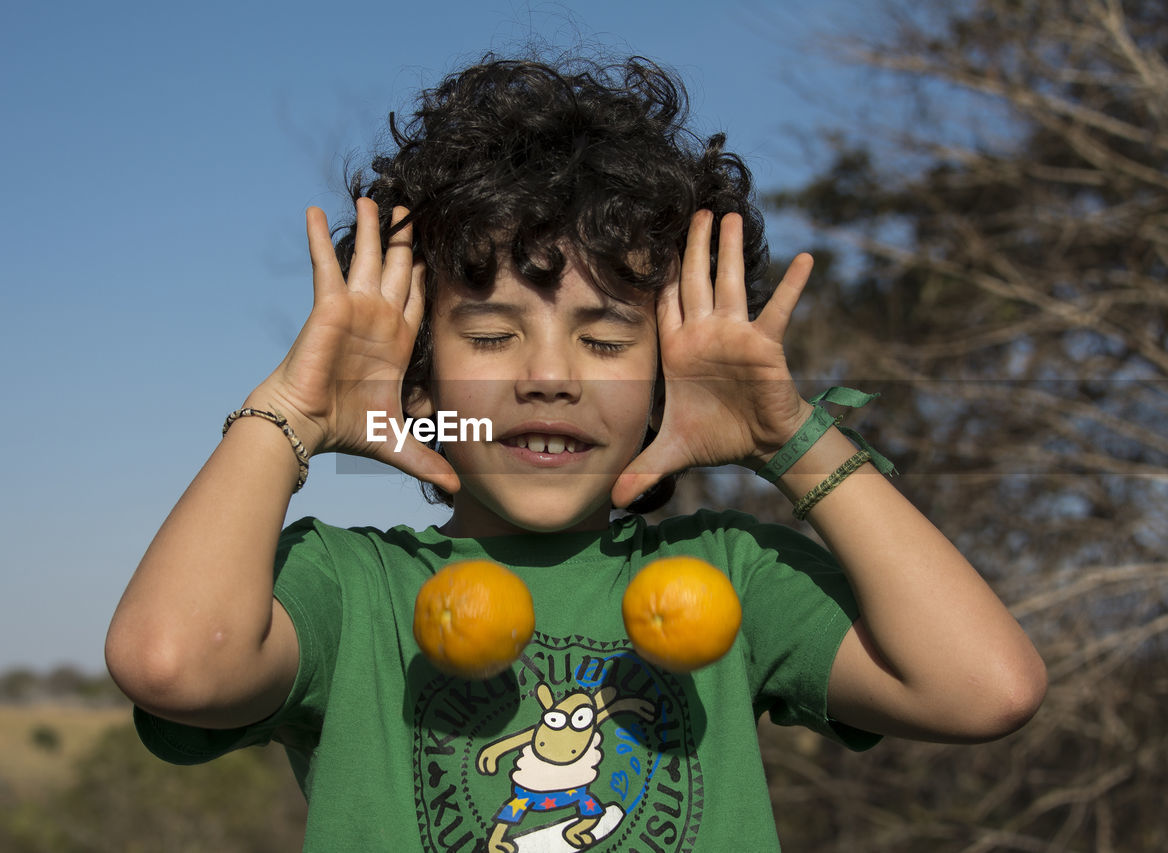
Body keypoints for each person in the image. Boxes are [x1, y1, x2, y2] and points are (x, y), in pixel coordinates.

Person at [105, 53, 1047, 852]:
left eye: (604, 342)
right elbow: (172, 663)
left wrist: (786, 437)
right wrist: (292, 410)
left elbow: (986, 688)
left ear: (662, 392)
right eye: (489, 335)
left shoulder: (731, 569)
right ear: (419, 389)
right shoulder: (352, 588)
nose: (551, 378)